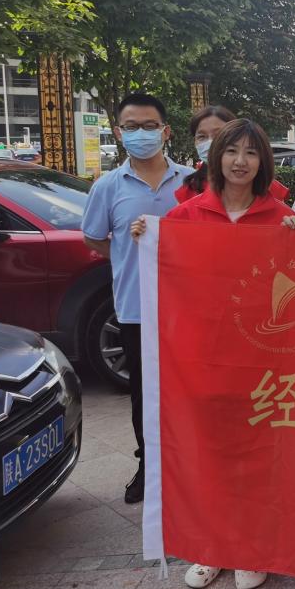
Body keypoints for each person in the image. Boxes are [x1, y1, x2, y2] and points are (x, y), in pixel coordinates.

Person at [131, 118, 295, 589]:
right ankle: (211, 548)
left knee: (256, 458)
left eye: (251, 152)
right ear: (216, 157)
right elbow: (165, 271)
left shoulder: (282, 217)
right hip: (201, 362)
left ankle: (251, 549)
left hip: (262, 362)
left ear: (263, 162)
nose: (240, 161)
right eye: (231, 151)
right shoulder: (186, 217)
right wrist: (148, 236)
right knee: (208, 455)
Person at [81, 92, 193, 504]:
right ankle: (149, 466)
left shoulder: (192, 182)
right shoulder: (108, 186)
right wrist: (129, 253)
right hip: (136, 309)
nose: (140, 134)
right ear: (118, 132)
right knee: (145, 394)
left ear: (165, 131)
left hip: (190, 309)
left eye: (149, 126)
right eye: (131, 127)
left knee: (192, 391)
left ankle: (192, 466)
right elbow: (94, 237)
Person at [175, 105, 289, 204]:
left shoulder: (267, 187)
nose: (210, 143)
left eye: (219, 135)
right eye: (202, 137)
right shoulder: (189, 190)